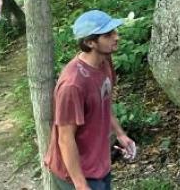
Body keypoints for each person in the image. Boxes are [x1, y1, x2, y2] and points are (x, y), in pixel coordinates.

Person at [44, 10, 136, 190]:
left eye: (115, 31)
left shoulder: (105, 61)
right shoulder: (73, 85)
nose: (116, 37)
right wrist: (81, 185)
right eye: (108, 35)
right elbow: (65, 138)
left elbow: (104, 102)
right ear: (89, 42)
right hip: (76, 173)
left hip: (99, 163)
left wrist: (120, 134)